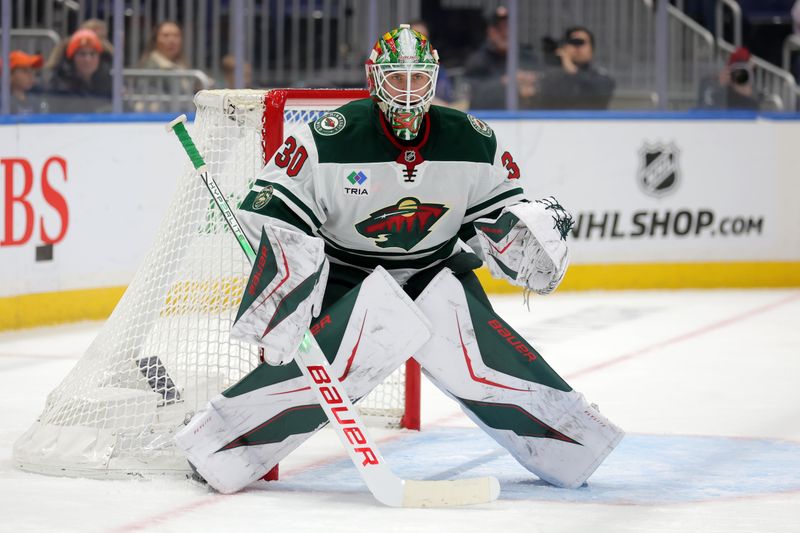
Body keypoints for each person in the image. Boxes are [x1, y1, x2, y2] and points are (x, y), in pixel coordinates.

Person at [175, 24, 623, 495]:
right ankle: (215, 447)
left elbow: (490, 222)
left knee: (483, 362)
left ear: (433, 79)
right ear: (374, 79)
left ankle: (575, 448)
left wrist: (516, 237)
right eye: (396, 79)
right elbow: (274, 211)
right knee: (326, 372)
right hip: (347, 277)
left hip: (435, 271)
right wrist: (284, 287)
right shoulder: (330, 136)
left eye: (417, 79)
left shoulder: (472, 139)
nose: (408, 92)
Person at [463, 6, 539, 109]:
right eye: (501, 29)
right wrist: (505, 82)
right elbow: (472, 97)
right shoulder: (478, 61)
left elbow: (545, 85)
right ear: (491, 32)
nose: (506, 32)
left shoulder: (527, 56)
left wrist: (533, 84)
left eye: (510, 28)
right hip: (490, 117)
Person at [535, 26, 615, 110]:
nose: (577, 47)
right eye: (573, 42)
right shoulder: (552, 77)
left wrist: (572, 70)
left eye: (581, 42)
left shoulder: (600, 76)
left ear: (592, 49)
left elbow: (602, 91)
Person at [46, 29, 112, 113]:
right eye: (82, 54)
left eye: (92, 54)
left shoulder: (110, 83)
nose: (88, 59)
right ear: (71, 59)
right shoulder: (59, 86)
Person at [409, 19, 468, 110]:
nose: (420, 43)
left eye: (424, 38)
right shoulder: (390, 67)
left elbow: (448, 98)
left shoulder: (437, 69)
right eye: (414, 37)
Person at [700, 47, 766, 110]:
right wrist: (720, 88)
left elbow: (756, 111)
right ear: (729, 72)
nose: (740, 77)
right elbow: (705, 109)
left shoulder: (754, 95)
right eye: (737, 72)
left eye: (744, 73)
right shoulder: (718, 91)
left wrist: (749, 95)